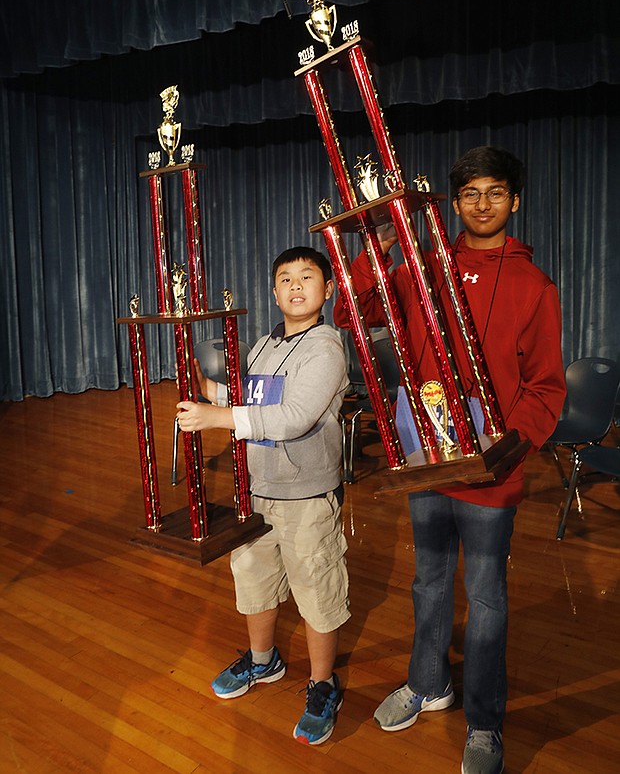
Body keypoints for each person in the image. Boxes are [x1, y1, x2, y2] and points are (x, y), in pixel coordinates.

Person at [333, 146, 565, 774]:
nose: (482, 204)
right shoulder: (424, 267)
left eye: (495, 192)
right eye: (470, 194)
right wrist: (378, 243)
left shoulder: (535, 287)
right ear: (454, 203)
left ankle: (485, 723)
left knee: (486, 595)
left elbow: (546, 388)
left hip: (492, 464)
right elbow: (354, 311)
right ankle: (428, 681)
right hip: (427, 453)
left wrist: (509, 442)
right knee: (428, 579)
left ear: (514, 200)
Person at [177, 246, 350, 746]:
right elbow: (249, 401)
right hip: (254, 493)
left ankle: (322, 684)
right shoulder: (264, 344)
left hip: (306, 497)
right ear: (274, 293)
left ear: (328, 288)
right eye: (285, 279)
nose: (295, 286)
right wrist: (209, 390)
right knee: (253, 582)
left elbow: (294, 416)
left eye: (307, 276)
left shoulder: (327, 348)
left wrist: (222, 419)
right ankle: (263, 661)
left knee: (317, 593)